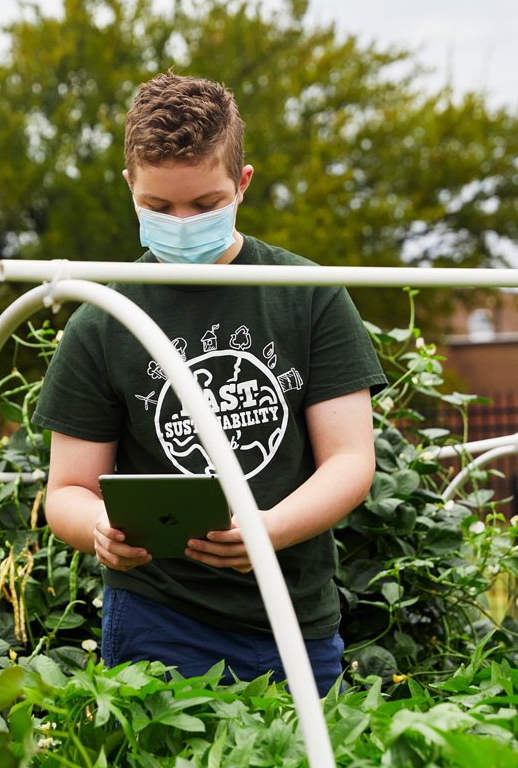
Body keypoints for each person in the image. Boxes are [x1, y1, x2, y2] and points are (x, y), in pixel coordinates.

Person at [31, 73, 385, 695]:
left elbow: (351, 460)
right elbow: (66, 489)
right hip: (160, 621)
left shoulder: (306, 294)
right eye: (159, 208)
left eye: (206, 204)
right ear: (130, 190)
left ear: (242, 184)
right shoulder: (102, 319)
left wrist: (269, 529)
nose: (183, 223)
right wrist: (96, 528)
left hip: (295, 616)